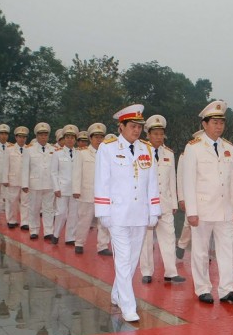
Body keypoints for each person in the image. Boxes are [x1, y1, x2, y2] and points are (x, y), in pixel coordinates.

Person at [94, 104, 161, 322]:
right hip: (118, 213)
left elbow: (152, 182)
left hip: (140, 213)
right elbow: (102, 181)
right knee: (122, 259)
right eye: (132, 126)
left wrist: (154, 209)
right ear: (121, 127)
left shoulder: (146, 149)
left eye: (139, 127)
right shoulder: (108, 148)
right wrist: (103, 210)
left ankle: (117, 293)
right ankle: (128, 305)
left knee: (132, 259)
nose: (137, 130)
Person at [182, 101, 233, 304]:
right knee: (200, 251)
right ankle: (202, 288)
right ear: (204, 124)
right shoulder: (193, 148)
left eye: (221, 123)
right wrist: (191, 211)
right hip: (202, 208)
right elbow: (188, 182)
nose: (219, 126)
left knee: (227, 250)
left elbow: (232, 181)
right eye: (215, 122)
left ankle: (227, 289)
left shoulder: (228, 147)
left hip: (224, 209)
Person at [140, 115, 185, 283]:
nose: (159, 137)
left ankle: (171, 272)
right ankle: (146, 271)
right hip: (145, 204)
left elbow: (171, 179)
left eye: (161, 134)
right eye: (155, 134)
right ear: (148, 135)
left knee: (169, 237)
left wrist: (173, 202)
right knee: (146, 238)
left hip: (165, 203)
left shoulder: (169, 154)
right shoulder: (141, 152)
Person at [72, 122, 112, 256]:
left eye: (101, 137)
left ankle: (103, 246)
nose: (99, 140)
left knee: (103, 222)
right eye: (96, 137)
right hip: (87, 191)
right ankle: (79, 242)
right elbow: (77, 173)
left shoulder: (107, 153)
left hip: (104, 194)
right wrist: (76, 190)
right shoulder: (82, 153)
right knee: (84, 219)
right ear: (90, 138)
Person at [22, 122, 56, 240]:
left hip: (49, 184)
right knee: (34, 208)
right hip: (34, 183)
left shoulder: (53, 149)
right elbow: (25, 168)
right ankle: (34, 230)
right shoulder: (29, 150)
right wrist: (24, 184)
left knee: (49, 209)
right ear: (36, 136)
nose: (43, 137)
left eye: (45, 134)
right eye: (41, 134)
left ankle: (48, 231)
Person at [175, 129, 203, 260]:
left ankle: (203, 251)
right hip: (191, 195)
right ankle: (181, 245)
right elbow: (180, 178)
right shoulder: (184, 155)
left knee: (206, 225)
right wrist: (181, 198)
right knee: (188, 223)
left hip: (206, 197)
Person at [51, 124, 80, 246]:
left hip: (75, 189)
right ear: (64, 138)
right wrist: (56, 188)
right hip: (62, 189)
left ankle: (70, 237)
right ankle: (56, 234)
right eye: (67, 137)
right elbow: (53, 172)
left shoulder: (79, 153)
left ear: (75, 139)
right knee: (61, 213)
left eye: (72, 137)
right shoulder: (57, 154)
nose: (70, 139)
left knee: (74, 214)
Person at [3, 126, 30, 230]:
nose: (22, 139)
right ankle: (12, 220)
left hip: (26, 180)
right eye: (20, 136)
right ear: (16, 137)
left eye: (24, 137)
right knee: (12, 201)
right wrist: (5, 179)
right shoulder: (9, 149)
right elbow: (5, 165)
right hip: (13, 179)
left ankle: (24, 222)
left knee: (25, 202)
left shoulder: (29, 149)